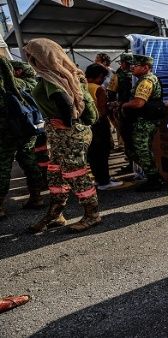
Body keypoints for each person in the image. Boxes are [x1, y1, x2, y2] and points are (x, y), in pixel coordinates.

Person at [24, 38, 100, 233]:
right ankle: (55, 214)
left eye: (31, 55)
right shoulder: (66, 74)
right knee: (56, 174)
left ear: (40, 57)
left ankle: (92, 215)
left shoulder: (51, 76)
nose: (28, 58)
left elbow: (63, 100)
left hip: (68, 135)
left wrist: (66, 122)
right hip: (64, 136)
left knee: (76, 174)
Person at [0, 57, 46, 219]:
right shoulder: (22, 84)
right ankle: (37, 197)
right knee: (30, 161)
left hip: (4, 135)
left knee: (3, 168)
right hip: (26, 130)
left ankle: (0, 207)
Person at [121, 54, 164, 192]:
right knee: (135, 151)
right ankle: (154, 176)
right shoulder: (145, 79)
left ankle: (154, 179)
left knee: (141, 151)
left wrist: (123, 105)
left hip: (144, 122)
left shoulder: (146, 81)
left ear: (146, 67)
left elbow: (138, 103)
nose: (132, 67)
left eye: (136, 65)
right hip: (144, 120)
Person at [85, 64, 123, 190]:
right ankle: (104, 181)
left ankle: (99, 178)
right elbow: (102, 110)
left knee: (93, 153)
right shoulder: (99, 89)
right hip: (99, 123)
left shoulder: (82, 86)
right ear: (99, 76)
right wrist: (111, 106)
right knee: (102, 152)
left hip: (87, 124)